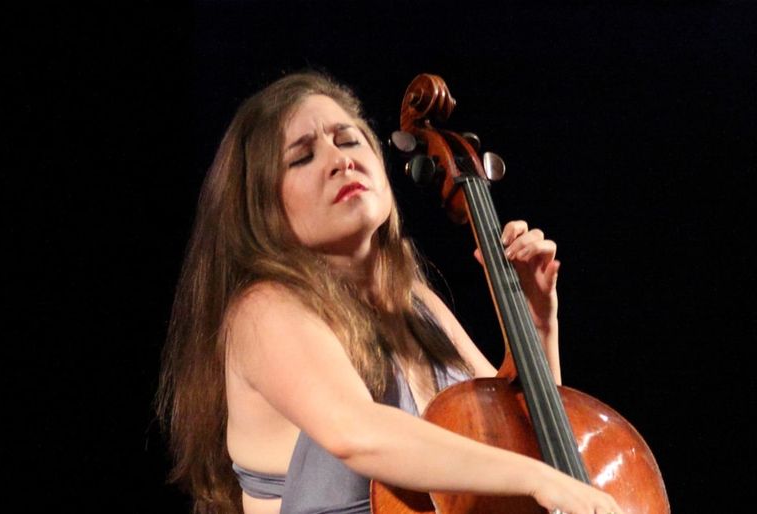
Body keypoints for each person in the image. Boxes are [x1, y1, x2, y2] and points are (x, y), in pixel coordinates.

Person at [157, 71, 622, 514]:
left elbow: (519, 428)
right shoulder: (264, 311)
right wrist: (539, 478)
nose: (341, 160)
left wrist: (538, 321)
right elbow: (357, 432)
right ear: (262, 209)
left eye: (348, 139)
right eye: (303, 157)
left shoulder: (416, 303)